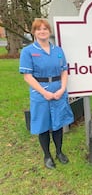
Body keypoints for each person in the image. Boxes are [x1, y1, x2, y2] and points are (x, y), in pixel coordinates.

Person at [19, 19, 74, 169]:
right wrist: (44, 92)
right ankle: (47, 156)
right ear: (34, 32)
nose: (42, 31)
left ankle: (59, 152)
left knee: (58, 123)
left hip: (58, 89)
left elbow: (64, 70)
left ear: (49, 32)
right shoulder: (28, 51)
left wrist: (62, 88)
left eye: (45, 29)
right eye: (39, 29)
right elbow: (27, 76)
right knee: (43, 125)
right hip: (40, 91)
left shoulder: (58, 50)